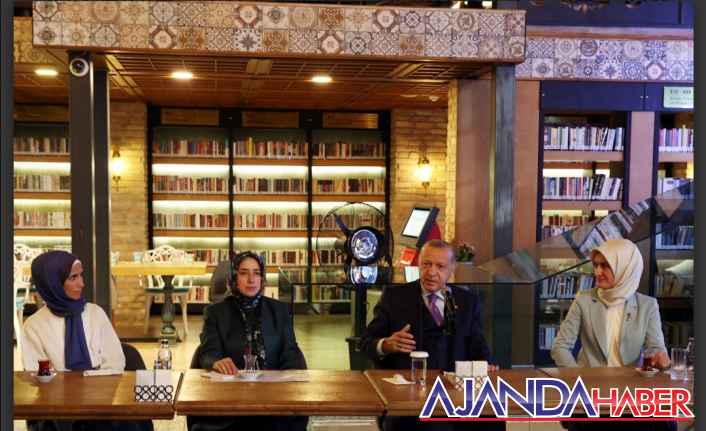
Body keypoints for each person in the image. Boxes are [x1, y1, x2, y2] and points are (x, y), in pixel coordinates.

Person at [360, 239, 501, 431]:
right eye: (426, 264)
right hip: (409, 401)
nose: (431, 272)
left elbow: (480, 349)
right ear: (418, 264)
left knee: (493, 419)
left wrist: (487, 365)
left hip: (455, 394)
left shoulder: (467, 302)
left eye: (440, 266)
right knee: (436, 426)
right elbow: (366, 342)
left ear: (452, 269)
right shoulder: (394, 297)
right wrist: (386, 344)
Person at [551, 239, 674, 431]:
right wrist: (578, 380)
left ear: (625, 268)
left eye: (605, 266)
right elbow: (560, 347)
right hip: (591, 391)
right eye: (596, 265)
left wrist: (660, 360)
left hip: (630, 392)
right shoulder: (584, 300)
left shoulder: (647, 305)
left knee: (665, 422)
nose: (597, 272)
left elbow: (655, 349)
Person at [23, 250, 151, 431]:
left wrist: (92, 391)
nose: (82, 283)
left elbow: (115, 361)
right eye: (73, 277)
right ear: (53, 283)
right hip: (61, 411)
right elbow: (37, 376)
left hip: (103, 403)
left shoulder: (95, 313)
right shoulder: (34, 326)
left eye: (81, 275)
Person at [188, 251, 307, 431]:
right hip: (230, 405)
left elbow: (291, 353)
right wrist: (216, 362)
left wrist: (285, 383)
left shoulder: (279, 310)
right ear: (234, 278)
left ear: (262, 279)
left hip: (273, 403)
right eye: (244, 273)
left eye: (256, 273)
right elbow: (208, 352)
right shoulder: (215, 312)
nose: (251, 279)